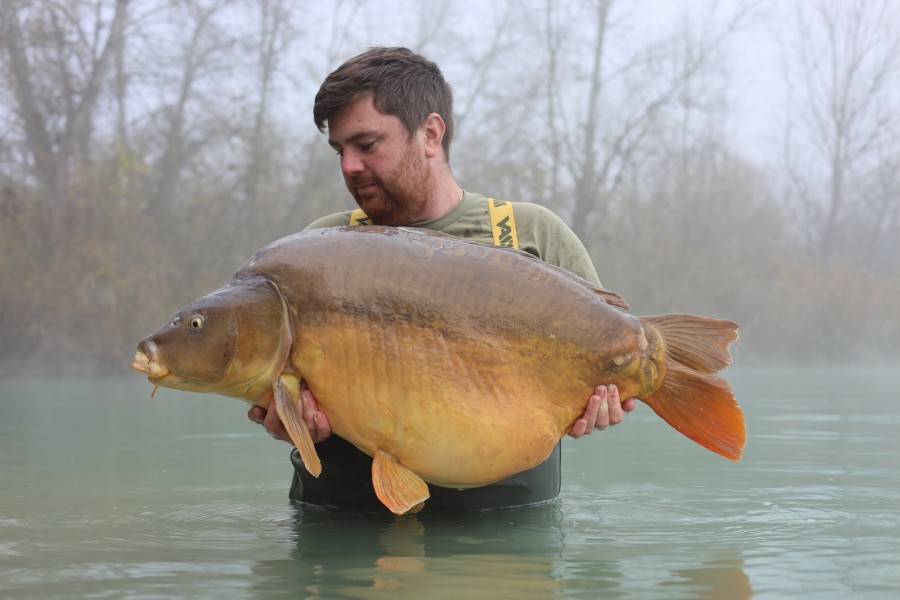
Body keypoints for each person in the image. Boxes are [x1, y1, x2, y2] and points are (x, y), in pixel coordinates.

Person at [248, 47, 635, 511]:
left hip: (509, 537)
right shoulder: (316, 253)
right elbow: (278, 388)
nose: (348, 166)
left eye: (367, 145)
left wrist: (604, 404)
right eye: (340, 150)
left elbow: (610, 362)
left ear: (430, 134)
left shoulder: (533, 237)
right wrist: (284, 421)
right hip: (340, 532)